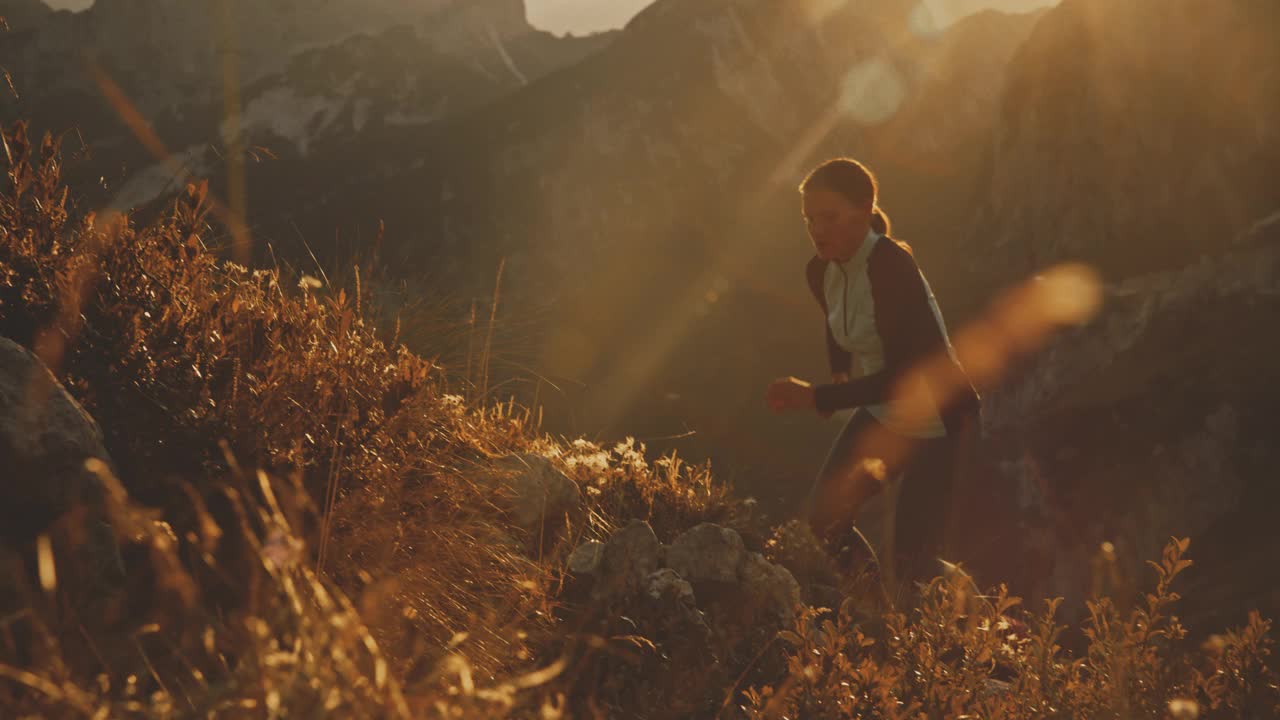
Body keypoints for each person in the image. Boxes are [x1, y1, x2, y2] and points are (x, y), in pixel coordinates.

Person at [765, 157, 981, 606]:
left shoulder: (891, 267)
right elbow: (837, 321)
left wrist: (818, 395)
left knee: (911, 564)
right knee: (821, 526)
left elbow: (901, 378)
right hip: (885, 413)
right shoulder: (820, 270)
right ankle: (871, 607)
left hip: (941, 422)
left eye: (829, 217)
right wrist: (839, 368)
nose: (817, 230)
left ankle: (974, 617)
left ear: (865, 211)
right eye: (809, 219)